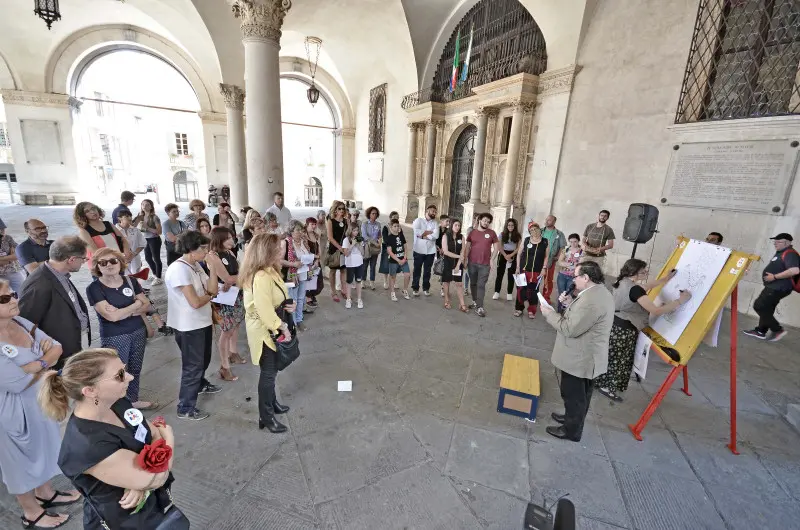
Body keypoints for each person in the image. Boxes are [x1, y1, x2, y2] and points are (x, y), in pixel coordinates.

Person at [39, 349, 184, 529]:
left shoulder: (117, 402)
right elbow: (157, 477)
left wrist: (139, 484)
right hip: (123, 520)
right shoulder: (87, 443)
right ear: (90, 391)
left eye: (124, 369)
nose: (130, 377)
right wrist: (169, 437)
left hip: (148, 509)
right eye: (120, 375)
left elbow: (153, 433)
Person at [0, 278, 80, 530]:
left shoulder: (21, 322)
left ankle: (45, 493)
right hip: (11, 411)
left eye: (12, 294)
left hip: (39, 401)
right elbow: (14, 382)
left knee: (45, 447)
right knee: (18, 463)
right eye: (5, 298)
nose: (14, 299)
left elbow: (57, 347)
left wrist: (36, 364)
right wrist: (45, 360)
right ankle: (31, 512)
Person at [595, 259, 691, 401]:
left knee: (610, 356)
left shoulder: (622, 281)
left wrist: (666, 279)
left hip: (615, 325)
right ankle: (607, 387)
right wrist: (680, 301)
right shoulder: (635, 289)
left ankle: (599, 381)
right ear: (634, 272)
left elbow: (646, 286)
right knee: (618, 360)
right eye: (643, 271)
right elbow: (656, 310)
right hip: (624, 330)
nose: (646, 272)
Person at [540, 261, 615, 442]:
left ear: (586, 278)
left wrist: (549, 313)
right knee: (580, 394)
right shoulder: (598, 292)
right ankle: (571, 418)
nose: (573, 279)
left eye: (576, 276)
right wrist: (570, 303)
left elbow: (569, 329)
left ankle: (571, 430)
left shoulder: (591, 301)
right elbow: (583, 317)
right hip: (586, 355)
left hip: (581, 358)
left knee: (574, 395)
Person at [85, 248, 156, 410]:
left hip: (137, 330)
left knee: (135, 368)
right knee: (116, 372)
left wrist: (124, 311)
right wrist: (136, 305)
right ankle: (116, 404)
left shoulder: (130, 281)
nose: (109, 265)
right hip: (115, 336)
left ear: (120, 263)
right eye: (103, 263)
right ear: (97, 266)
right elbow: (112, 317)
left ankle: (132, 399)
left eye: (113, 261)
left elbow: (146, 305)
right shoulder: (94, 288)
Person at [241, 233, 295, 433]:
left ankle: (272, 404)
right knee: (268, 374)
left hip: (269, 326)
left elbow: (279, 295)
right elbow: (264, 309)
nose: (281, 250)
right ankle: (266, 416)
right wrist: (283, 327)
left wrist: (289, 304)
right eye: (278, 248)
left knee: (271, 372)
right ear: (266, 252)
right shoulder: (262, 275)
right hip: (265, 331)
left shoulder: (269, 270)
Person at [164, 231, 221, 421]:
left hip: (201, 321)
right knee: (193, 365)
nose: (207, 252)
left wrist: (213, 270)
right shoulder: (179, 269)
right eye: (203, 248)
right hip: (188, 325)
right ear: (190, 249)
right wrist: (210, 296)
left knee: (204, 358)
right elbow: (195, 302)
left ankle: (201, 384)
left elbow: (213, 289)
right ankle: (185, 406)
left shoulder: (196, 265)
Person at [18, 236, 90, 368]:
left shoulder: (59, 273)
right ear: (72, 260)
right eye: (83, 259)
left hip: (74, 343)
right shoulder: (39, 284)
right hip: (60, 353)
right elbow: (25, 323)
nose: (84, 262)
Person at [205, 227, 246, 381]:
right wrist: (243, 276)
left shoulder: (229, 252)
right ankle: (224, 366)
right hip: (224, 299)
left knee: (235, 325)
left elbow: (236, 275)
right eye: (228, 238)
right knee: (226, 331)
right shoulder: (212, 256)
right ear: (219, 239)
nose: (232, 240)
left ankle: (233, 352)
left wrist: (238, 277)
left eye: (232, 237)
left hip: (236, 294)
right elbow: (228, 279)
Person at [743, 233, 799, 342]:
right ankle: (760, 331)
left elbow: (795, 270)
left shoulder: (790, 253)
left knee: (759, 306)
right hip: (775, 287)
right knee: (767, 309)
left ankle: (777, 330)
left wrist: (774, 277)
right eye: (775, 241)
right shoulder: (781, 252)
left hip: (778, 287)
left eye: (778, 241)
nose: (775, 243)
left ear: (787, 243)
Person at [465, 212, 501, 317]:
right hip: (472, 263)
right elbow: (467, 247)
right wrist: (465, 260)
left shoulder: (492, 233)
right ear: (480, 220)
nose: (486, 223)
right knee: (473, 283)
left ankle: (480, 307)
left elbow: (496, 248)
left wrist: (492, 259)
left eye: (488, 222)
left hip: (485, 264)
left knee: (481, 285)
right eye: (485, 220)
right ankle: (475, 301)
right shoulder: (472, 233)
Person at [281, 220, 313, 330]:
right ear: (291, 231)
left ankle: (299, 320)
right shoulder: (286, 242)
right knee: (292, 299)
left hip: (303, 273)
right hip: (292, 275)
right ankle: (292, 323)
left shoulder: (304, 241)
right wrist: (293, 263)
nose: (300, 232)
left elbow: (308, 255)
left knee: (301, 298)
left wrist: (312, 260)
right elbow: (279, 261)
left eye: (301, 230)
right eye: (297, 230)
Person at [514, 222, 549, 319]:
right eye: (531, 230)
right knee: (520, 289)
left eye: (535, 229)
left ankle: (531, 310)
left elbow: (546, 256)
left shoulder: (545, 241)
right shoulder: (526, 240)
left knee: (533, 291)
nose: (534, 231)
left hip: (536, 271)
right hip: (523, 270)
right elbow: (519, 254)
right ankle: (519, 308)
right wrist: (517, 267)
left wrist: (544, 268)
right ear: (529, 231)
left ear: (539, 229)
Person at [411, 204, 440, 297]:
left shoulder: (435, 223)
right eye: (432, 211)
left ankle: (426, 288)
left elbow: (436, 236)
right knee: (417, 270)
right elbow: (416, 232)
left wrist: (423, 235)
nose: (434, 213)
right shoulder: (419, 220)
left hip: (430, 251)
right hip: (418, 249)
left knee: (427, 271)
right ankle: (415, 288)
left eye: (435, 212)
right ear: (427, 212)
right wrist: (429, 233)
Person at [441, 219, 467, 312]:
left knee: (459, 284)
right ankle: (447, 300)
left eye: (459, 225)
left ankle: (462, 303)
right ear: (451, 225)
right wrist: (459, 256)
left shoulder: (461, 237)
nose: (457, 227)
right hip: (448, 262)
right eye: (456, 225)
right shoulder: (445, 236)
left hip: (458, 263)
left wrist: (458, 265)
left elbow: (462, 251)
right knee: (446, 282)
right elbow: (446, 252)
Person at [493, 218, 522, 301]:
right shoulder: (502, 234)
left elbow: (518, 247)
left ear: (514, 226)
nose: (510, 226)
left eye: (512, 225)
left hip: (513, 254)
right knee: (500, 274)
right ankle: (496, 292)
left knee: (511, 275)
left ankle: (509, 293)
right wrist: (505, 255)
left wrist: (511, 255)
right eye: (509, 225)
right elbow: (499, 246)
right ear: (506, 226)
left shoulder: (518, 235)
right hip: (503, 254)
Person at [136, 199, 163, 284]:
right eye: (143, 204)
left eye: (147, 204)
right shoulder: (140, 216)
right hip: (145, 239)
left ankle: (158, 277)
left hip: (154, 240)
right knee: (148, 258)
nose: (144, 206)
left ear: (151, 207)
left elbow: (159, 231)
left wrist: (147, 227)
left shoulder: (154, 217)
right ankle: (155, 274)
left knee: (156, 259)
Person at [326, 201, 349, 303]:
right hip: (334, 248)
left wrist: (348, 221)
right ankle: (333, 291)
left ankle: (344, 290)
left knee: (343, 270)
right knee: (333, 270)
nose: (341, 210)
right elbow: (330, 237)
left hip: (344, 248)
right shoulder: (331, 221)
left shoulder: (345, 221)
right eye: (339, 208)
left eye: (343, 208)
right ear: (335, 209)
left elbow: (349, 234)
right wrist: (340, 248)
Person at [385, 218, 411, 301]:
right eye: (395, 226)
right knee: (393, 276)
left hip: (403, 259)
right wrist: (398, 260)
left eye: (397, 226)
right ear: (391, 227)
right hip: (394, 261)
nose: (396, 228)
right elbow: (390, 252)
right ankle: (392, 292)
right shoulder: (389, 238)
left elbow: (405, 247)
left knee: (407, 274)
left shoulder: (401, 235)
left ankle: (405, 290)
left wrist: (405, 257)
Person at [541, 215, 566, 302]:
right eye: (546, 219)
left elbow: (562, 246)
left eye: (549, 220)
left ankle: (546, 298)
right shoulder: (540, 231)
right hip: (538, 259)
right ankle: (532, 296)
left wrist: (558, 256)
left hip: (550, 259)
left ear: (554, 222)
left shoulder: (559, 234)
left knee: (548, 280)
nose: (547, 221)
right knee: (534, 278)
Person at [556, 234, 583, 312]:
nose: (573, 244)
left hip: (573, 276)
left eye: (575, 241)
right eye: (571, 242)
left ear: (578, 241)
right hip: (562, 275)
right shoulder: (566, 250)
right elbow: (559, 262)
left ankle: (566, 313)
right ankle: (559, 312)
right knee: (561, 294)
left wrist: (566, 264)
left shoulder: (581, 251)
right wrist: (572, 265)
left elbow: (580, 265)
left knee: (568, 295)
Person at [115, 211, 146, 277]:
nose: (130, 218)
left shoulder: (136, 230)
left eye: (130, 216)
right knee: (123, 278)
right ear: (120, 218)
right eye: (126, 216)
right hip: (121, 259)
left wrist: (133, 254)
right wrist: (123, 256)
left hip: (135, 258)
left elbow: (142, 244)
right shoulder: (114, 231)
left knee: (136, 277)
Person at [342, 223, 366, 309]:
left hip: (359, 263)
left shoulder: (360, 240)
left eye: (357, 230)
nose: (356, 232)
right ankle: (348, 299)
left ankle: (359, 299)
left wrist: (359, 245)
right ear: (350, 230)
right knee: (349, 281)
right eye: (354, 230)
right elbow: (346, 254)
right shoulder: (346, 240)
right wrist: (352, 244)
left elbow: (363, 254)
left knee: (358, 281)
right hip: (350, 264)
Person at [361, 206, 382, 290]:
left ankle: (372, 282)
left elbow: (379, 235)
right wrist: (375, 243)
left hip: (375, 248)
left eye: (376, 214)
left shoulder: (378, 224)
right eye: (373, 213)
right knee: (365, 265)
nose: (374, 215)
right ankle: (363, 281)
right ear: (369, 214)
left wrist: (380, 241)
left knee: (373, 265)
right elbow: (365, 236)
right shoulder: (364, 224)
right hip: (367, 247)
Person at [304, 217, 323, 309]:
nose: (314, 226)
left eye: (315, 224)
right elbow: (305, 251)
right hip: (308, 262)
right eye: (312, 224)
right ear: (307, 224)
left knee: (319, 281)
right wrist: (315, 258)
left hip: (316, 261)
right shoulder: (304, 236)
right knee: (309, 280)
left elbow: (319, 248)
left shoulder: (316, 235)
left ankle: (312, 294)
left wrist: (318, 259)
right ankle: (308, 297)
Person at [0, 224, 24, 292]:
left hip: (12, 271)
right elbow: (12, 258)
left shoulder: (8, 238)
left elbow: (19, 254)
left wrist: (4, 259)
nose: (2, 232)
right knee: (3, 297)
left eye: (3, 229)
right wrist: (9, 258)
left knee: (24, 291)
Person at [380, 211, 400, 290]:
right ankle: (385, 281)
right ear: (390, 218)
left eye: (397, 218)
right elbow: (385, 239)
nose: (396, 219)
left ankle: (394, 281)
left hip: (396, 249)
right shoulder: (386, 227)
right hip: (387, 248)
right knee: (386, 264)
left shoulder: (398, 227)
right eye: (394, 217)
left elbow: (400, 237)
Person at [435, 214, 450, 297]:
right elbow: (435, 241)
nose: (448, 223)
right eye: (446, 221)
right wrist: (439, 249)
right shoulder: (437, 229)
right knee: (442, 269)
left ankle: (443, 288)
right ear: (441, 221)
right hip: (439, 252)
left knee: (445, 270)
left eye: (448, 221)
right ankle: (442, 287)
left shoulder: (448, 231)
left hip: (446, 252)